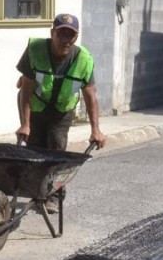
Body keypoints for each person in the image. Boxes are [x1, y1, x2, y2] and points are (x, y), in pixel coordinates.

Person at [15, 13, 106, 212]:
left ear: (76, 37)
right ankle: (37, 192)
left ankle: (54, 197)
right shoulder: (35, 50)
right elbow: (25, 90)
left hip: (62, 111)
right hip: (36, 106)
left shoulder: (83, 60)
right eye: (61, 34)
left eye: (70, 36)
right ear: (52, 33)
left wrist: (96, 130)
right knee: (35, 151)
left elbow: (91, 97)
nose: (65, 40)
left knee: (56, 149)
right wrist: (25, 123)